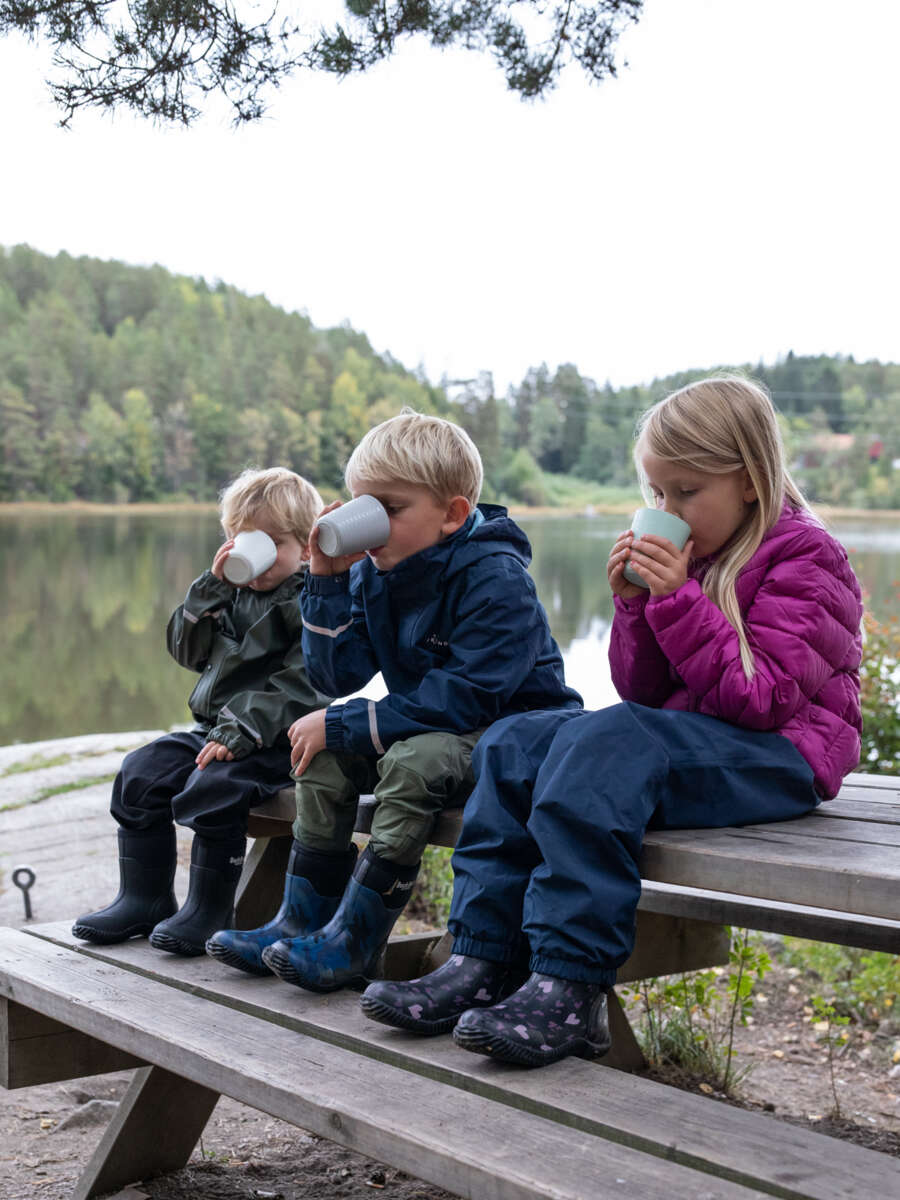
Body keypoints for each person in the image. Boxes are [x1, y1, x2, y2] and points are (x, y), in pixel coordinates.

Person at [360, 377, 863, 1067]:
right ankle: (482, 958)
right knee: (514, 741)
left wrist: (677, 598)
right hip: (693, 744)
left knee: (610, 739)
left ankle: (571, 985)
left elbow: (760, 701)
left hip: (782, 754)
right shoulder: (697, 554)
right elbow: (642, 690)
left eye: (686, 492)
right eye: (657, 493)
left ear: (750, 481)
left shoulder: (807, 556)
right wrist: (634, 605)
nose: (666, 510)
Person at [207, 409, 581, 986]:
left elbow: (467, 697)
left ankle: (356, 941)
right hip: (434, 727)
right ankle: (302, 921)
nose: (370, 522)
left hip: (512, 735)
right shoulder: (374, 572)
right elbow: (336, 677)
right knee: (323, 757)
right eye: (363, 505)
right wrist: (326, 581)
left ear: (452, 514)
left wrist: (346, 721)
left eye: (389, 508)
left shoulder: (497, 579)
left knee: (411, 762)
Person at [73, 467, 332, 956]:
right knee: (140, 773)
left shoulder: (311, 602)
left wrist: (243, 728)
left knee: (215, 787)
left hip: (277, 741)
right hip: (215, 731)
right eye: (243, 540)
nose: (255, 556)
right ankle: (144, 899)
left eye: (273, 543)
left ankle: (210, 911)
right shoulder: (228, 593)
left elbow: (307, 683)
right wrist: (207, 592)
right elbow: (187, 654)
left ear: (305, 549)